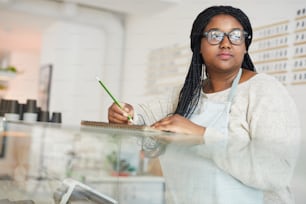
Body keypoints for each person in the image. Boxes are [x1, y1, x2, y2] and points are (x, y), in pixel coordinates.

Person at [108, 5, 301, 204]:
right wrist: (124, 116)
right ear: (198, 45)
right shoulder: (184, 94)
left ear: (245, 46)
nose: (226, 43)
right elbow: (142, 124)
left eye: (236, 36)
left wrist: (201, 136)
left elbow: (276, 172)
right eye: (215, 35)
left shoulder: (265, 91)